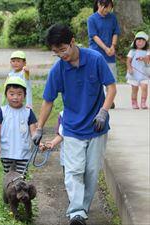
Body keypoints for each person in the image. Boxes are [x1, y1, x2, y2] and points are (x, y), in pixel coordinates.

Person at [32, 24, 116, 225]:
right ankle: (77, 213)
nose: (61, 55)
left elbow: (111, 87)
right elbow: (48, 100)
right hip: (72, 128)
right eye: (55, 52)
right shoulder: (58, 69)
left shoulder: (95, 59)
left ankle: (82, 209)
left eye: (63, 49)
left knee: (91, 171)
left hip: (97, 127)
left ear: (72, 42)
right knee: (73, 171)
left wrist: (103, 112)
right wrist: (40, 128)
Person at [0, 76, 37, 174]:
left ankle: (21, 190)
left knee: (21, 177)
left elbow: (33, 131)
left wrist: (38, 142)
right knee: (8, 176)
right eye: (12, 94)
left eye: (19, 94)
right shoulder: (3, 111)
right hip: (6, 151)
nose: (15, 97)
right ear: (6, 94)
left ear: (24, 95)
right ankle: (9, 189)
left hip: (23, 151)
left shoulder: (28, 112)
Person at [87, 0, 120, 108]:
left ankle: (109, 100)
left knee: (111, 78)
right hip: (96, 53)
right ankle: (98, 101)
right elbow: (94, 36)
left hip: (110, 54)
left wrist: (113, 46)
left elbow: (115, 32)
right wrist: (105, 48)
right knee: (96, 79)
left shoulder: (112, 18)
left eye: (109, 7)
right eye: (104, 7)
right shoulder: (91, 19)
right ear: (99, 5)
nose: (107, 10)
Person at [126, 31, 150, 109]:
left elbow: (147, 60)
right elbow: (128, 61)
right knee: (134, 89)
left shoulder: (147, 51)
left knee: (144, 87)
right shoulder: (132, 51)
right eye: (139, 40)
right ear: (135, 41)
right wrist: (130, 69)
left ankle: (143, 103)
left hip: (143, 73)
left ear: (146, 43)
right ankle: (134, 102)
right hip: (134, 74)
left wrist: (143, 59)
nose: (140, 42)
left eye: (143, 41)